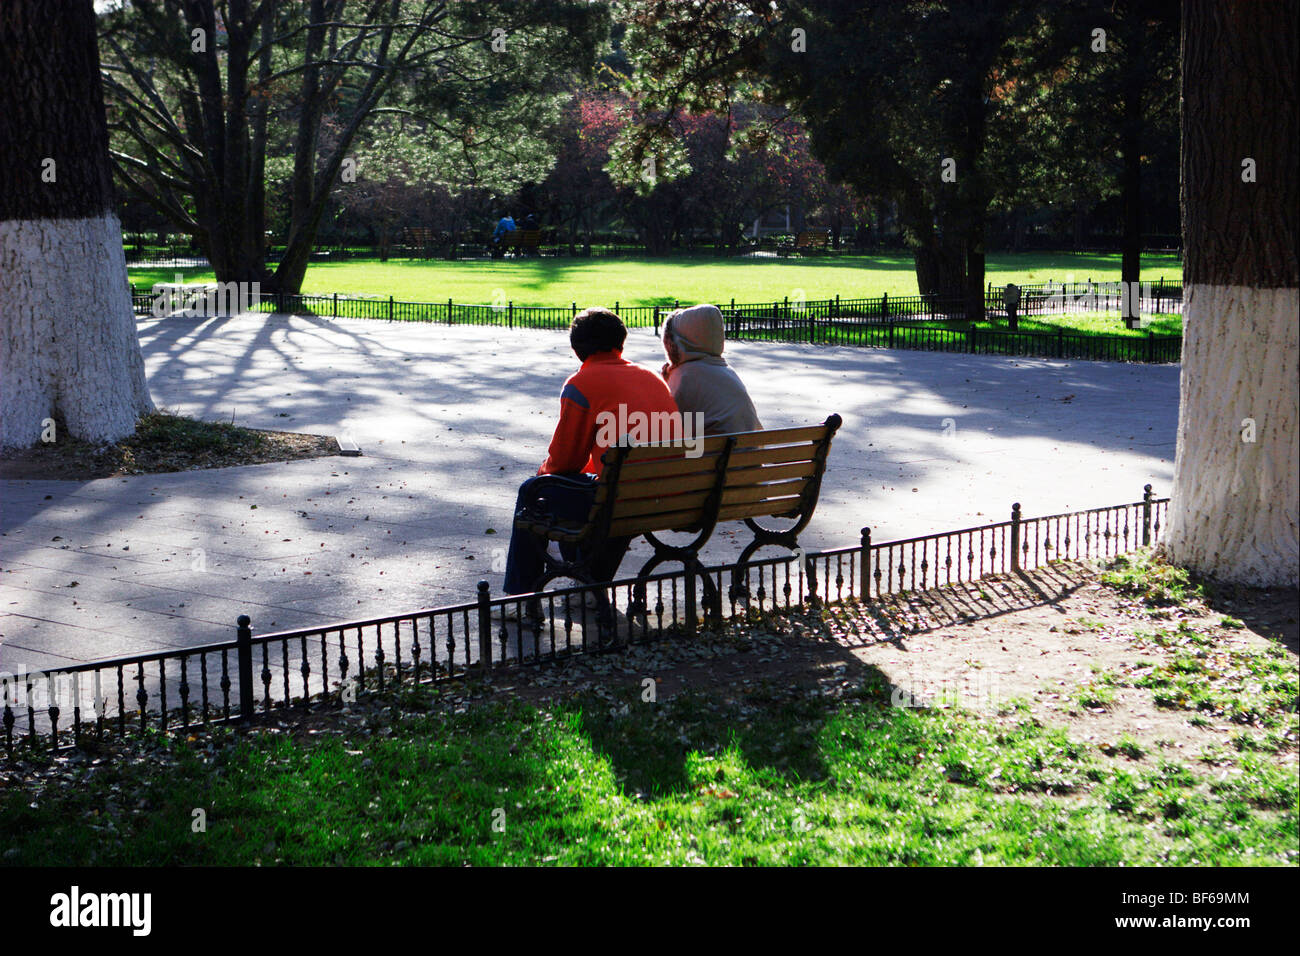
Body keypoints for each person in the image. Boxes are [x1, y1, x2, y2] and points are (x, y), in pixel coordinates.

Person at [502, 308, 682, 607]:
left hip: (621, 498)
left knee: (533, 492)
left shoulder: (582, 384)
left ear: (576, 349)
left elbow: (564, 461)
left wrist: (541, 475)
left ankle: (519, 597)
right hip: (667, 495)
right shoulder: (652, 378)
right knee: (597, 491)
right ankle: (586, 582)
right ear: (621, 343)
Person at [660, 303, 761, 435]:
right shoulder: (727, 371)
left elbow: (665, 426)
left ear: (675, 343)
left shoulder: (685, 376)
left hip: (713, 454)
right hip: (748, 453)